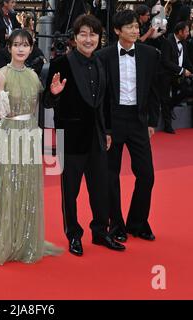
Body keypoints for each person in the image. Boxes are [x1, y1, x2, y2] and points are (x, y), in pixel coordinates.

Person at [0, 29, 63, 266]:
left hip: (30, 134)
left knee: (27, 187)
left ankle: (26, 239)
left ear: (31, 47)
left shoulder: (34, 76)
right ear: (9, 48)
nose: (21, 49)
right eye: (16, 45)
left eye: (25, 44)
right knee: (9, 186)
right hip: (9, 134)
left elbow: (41, 104)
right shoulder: (2, 74)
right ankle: (7, 240)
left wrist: (53, 94)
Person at [44, 14, 125, 257]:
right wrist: (54, 93)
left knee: (101, 188)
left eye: (93, 34)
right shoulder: (60, 64)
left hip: (98, 137)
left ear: (99, 38)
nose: (88, 39)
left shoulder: (101, 63)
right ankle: (73, 235)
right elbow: (47, 102)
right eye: (83, 34)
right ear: (74, 38)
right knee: (70, 192)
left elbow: (107, 101)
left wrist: (108, 130)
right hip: (71, 138)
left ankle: (100, 232)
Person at [97, 10, 160, 243]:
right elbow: (100, 96)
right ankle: (116, 225)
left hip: (138, 120)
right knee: (110, 175)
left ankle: (138, 222)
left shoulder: (150, 54)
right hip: (113, 121)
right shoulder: (103, 56)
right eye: (130, 27)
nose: (135, 31)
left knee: (147, 175)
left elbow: (154, 89)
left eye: (136, 26)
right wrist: (104, 128)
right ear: (117, 31)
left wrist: (152, 121)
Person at [159, 21, 193, 134]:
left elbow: (186, 60)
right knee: (164, 99)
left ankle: (170, 106)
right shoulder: (167, 42)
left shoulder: (184, 42)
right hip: (166, 75)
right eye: (187, 31)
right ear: (180, 32)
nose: (188, 33)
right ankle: (167, 126)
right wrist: (182, 70)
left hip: (177, 75)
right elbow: (165, 61)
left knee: (187, 90)